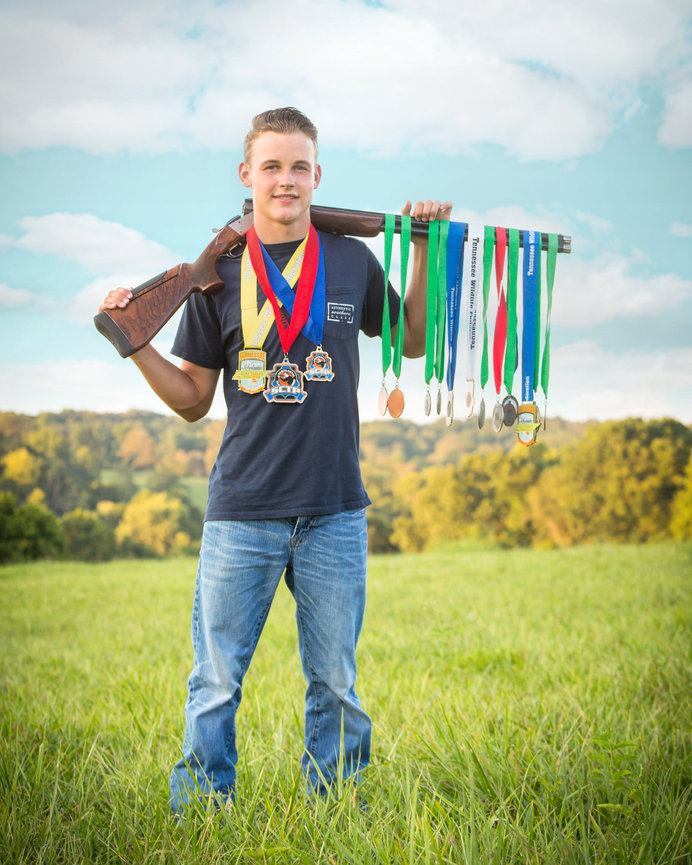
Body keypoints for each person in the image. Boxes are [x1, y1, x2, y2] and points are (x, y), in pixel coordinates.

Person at [99, 107, 451, 813]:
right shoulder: (215, 274)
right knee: (217, 679)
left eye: (298, 166)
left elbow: (411, 343)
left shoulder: (351, 260)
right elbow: (195, 398)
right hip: (243, 509)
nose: (285, 180)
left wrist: (423, 252)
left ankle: (336, 812)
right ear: (246, 176)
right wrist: (136, 344)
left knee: (335, 681)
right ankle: (201, 813)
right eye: (271, 165)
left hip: (336, 508)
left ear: (317, 175)